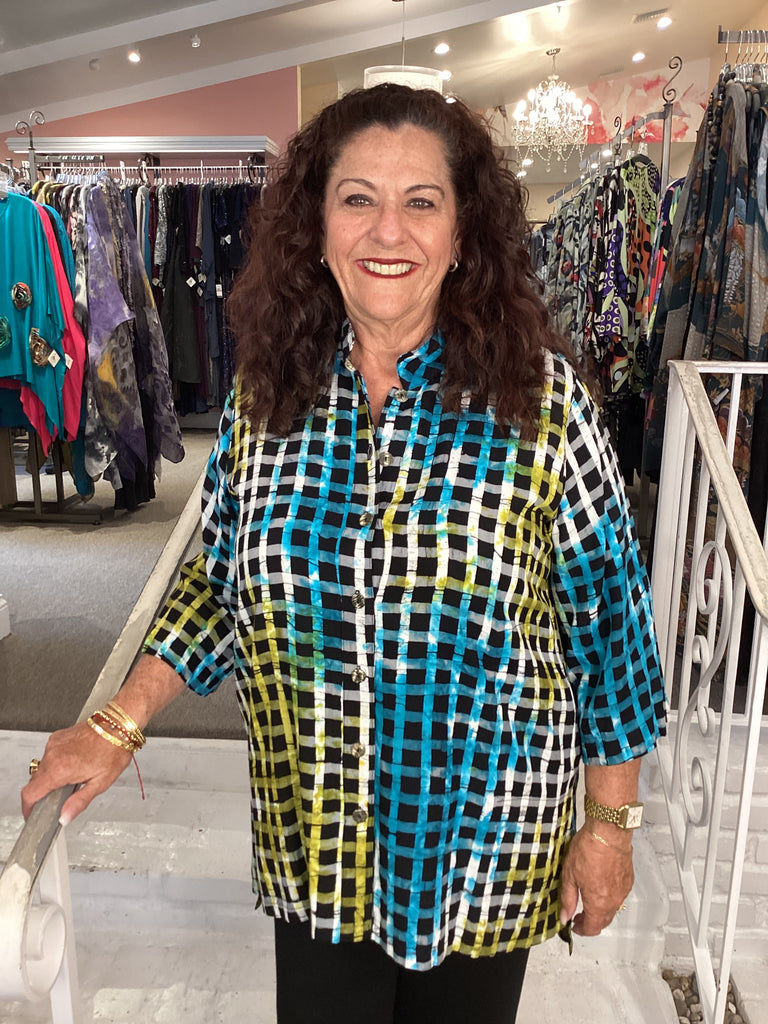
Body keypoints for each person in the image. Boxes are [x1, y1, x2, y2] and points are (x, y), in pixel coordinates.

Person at [22, 84, 666, 1024]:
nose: (387, 231)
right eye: (357, 198)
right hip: (316, 846)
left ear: (462, 234)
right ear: (317, 230)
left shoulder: (540, 405)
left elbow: (613, 634)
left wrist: (609, 826)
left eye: (421, 202)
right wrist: (118, 722)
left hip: (484, 855)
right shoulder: (267, 397)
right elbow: (220, 583)